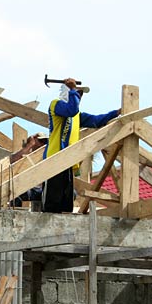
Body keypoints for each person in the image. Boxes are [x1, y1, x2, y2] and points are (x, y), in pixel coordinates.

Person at [42, 78, 120, 213]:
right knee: (52, 204)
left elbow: (96, 120)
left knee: (66, 203)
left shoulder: (76, 115)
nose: (78, 97)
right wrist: (72, 89)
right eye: (77, 95)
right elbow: (71, 110)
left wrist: (116, 113)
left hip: (68, 163)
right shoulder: (55, 105)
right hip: (54, 161)